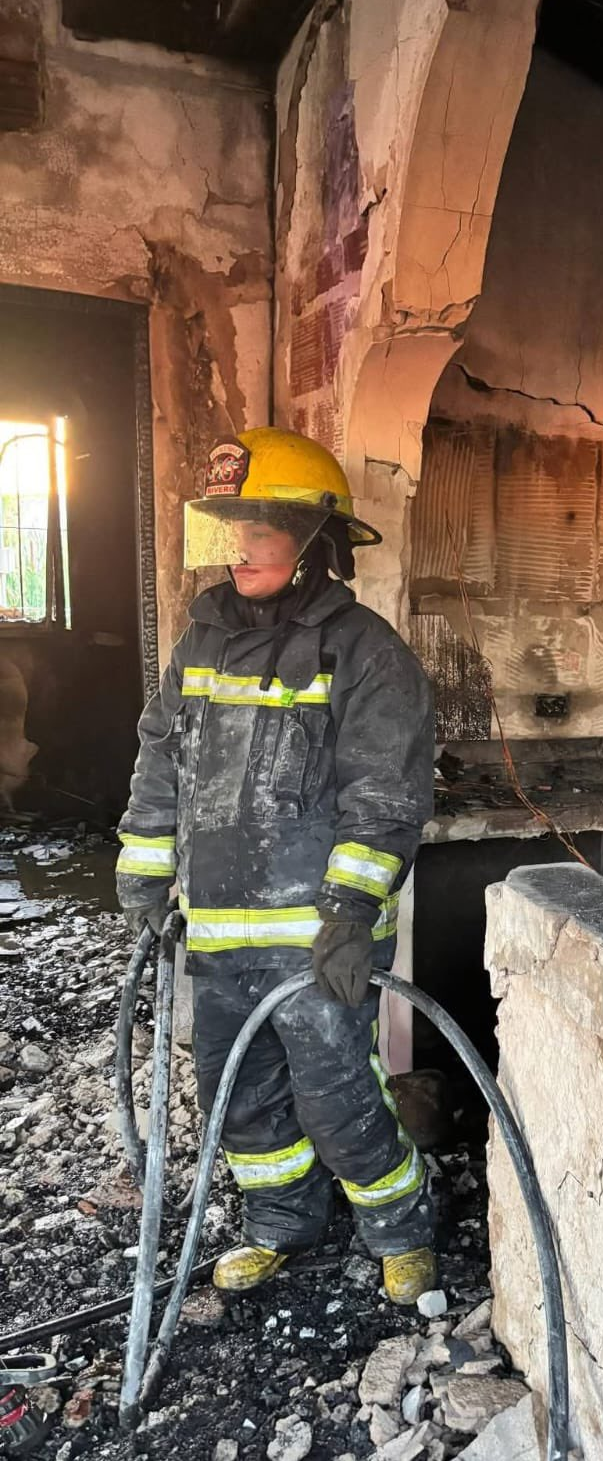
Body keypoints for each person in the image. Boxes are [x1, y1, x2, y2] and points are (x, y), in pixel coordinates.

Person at [115, 427, 437, 1304]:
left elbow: (386, 796)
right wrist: (143, 872)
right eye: (230, 527)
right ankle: (281, 1225)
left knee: (337, 1094)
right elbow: (160, 761)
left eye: (262, 528)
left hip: (318, 937)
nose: (241, 547)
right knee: (238, 1094)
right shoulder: (199, 645)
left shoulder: (367, 654)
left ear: (314, 543)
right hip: (218, 932)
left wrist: (347, 914)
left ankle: (400, 1228)